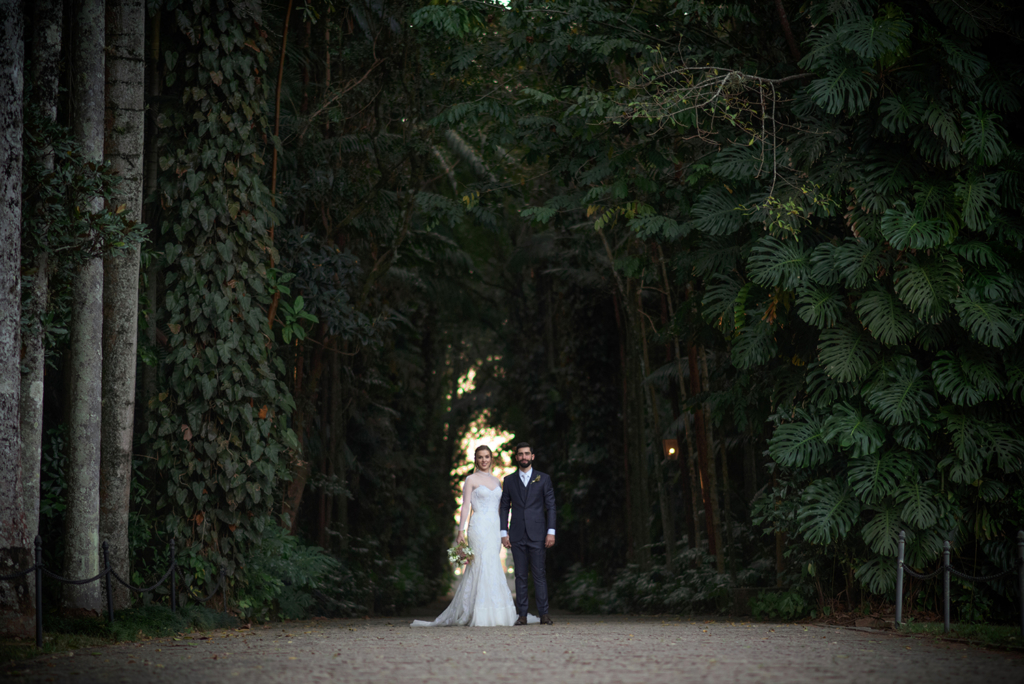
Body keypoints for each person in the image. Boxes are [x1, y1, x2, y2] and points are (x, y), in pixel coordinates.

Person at [411, 445, 537, 627]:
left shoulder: (497, 480)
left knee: (492, 563)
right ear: (475, 459)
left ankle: (497, 612)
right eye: (480, 457)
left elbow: (502, 508)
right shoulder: (470, 479)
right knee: (480, 564)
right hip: (478, 526)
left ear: (491, 459)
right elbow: (465, 506)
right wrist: (461, 530)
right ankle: (476, 611)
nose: (484, 460)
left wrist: (505, 529)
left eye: (487, 456)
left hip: (494, 528)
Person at [500, 441, 556, 625]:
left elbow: (551, 507)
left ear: (532, 456)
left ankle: (544, 614)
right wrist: (503, 532)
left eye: (527, 454)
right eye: (520, 454)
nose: (523, 457)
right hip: (516, 534)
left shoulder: (544, 479)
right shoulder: (508, 480)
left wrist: (551, 532)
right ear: (516, 457)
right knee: (520, 575)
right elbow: (504, 508)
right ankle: (522, 615)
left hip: (539, 534)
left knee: (539, 574)